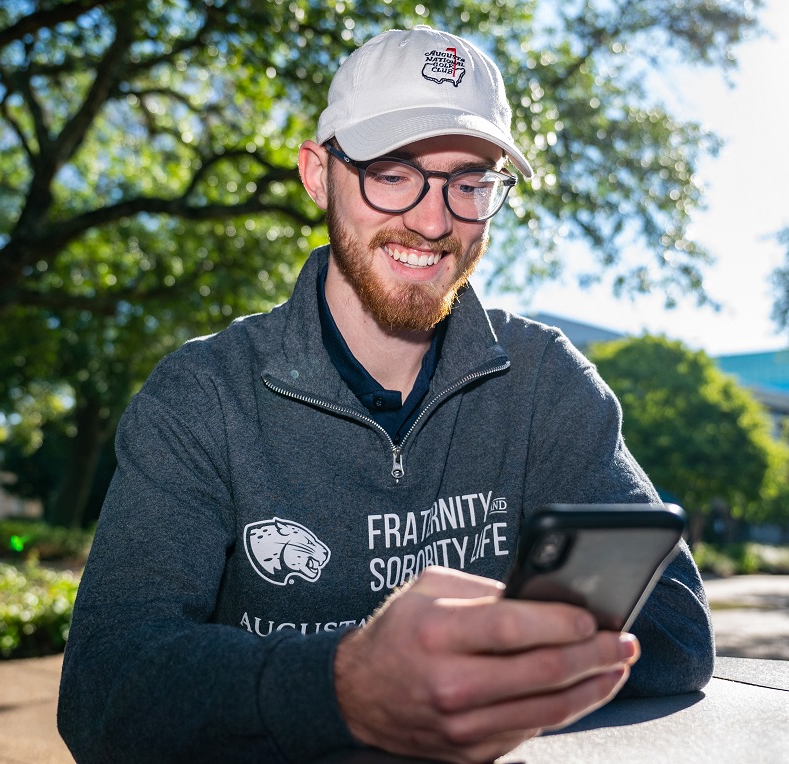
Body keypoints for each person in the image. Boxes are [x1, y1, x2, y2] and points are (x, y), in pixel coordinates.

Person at [58, 25, 713, 763]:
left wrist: (475, 673)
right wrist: (345, 686)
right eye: (393, 172)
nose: (434, 222)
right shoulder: (202, 397)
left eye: (470, 182)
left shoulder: (544, 381)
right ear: (317, 174)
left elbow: (676, 629)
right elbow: (104, 688)